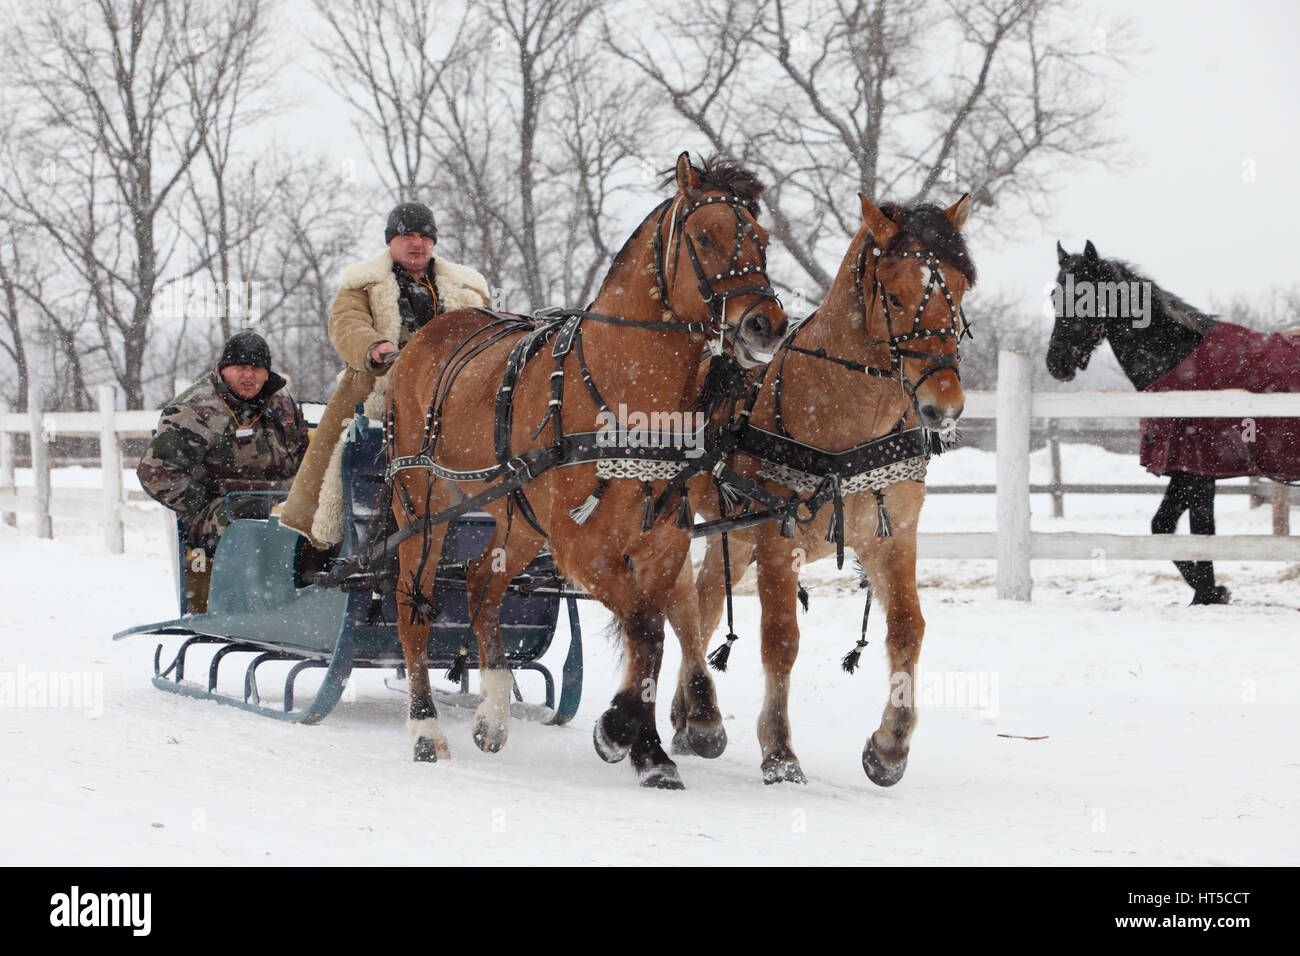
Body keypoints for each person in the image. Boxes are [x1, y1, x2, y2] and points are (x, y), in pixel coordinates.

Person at [280, 201, 491, 548]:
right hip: (379, 395)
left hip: (454, 401)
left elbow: (488, 335)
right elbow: (346, 323)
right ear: (391, 241)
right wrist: (373, 346)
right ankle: (335, 546)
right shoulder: (362, 284)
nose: (417, 243)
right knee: (340, 468)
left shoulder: (469, 289)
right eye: (407, 235)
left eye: (425, 236)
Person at [137, 331, 310, 610]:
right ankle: (260, 610)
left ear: (267, 373)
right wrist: (203, 505)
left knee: (326, 526)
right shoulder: (194, 409)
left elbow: (307, 460)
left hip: (283, 503)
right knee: (254, 527)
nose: (248, 376)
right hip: (218, 512)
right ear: (223, 368)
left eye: (256, 369)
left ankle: (314, 604)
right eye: (240, 368)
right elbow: (154, 472)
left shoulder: (283, 404)